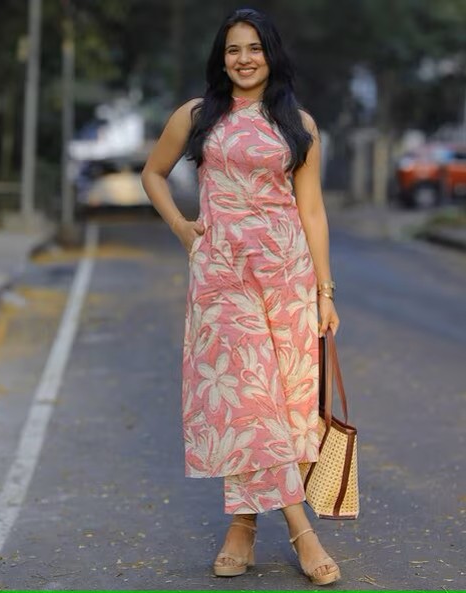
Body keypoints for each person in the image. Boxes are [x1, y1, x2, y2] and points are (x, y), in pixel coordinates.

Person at [141, 7, 341, 586]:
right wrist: (183, 229)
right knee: (249, 400)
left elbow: (312, 211)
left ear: (271, 55)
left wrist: (325, 291)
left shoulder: (298, 124)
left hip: (288, 277)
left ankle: (243, 529)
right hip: (223, 277)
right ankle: (302, 532)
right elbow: (153, 173)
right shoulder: (197, 115)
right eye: (233, 49)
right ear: (221, 58)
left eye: (254, 48)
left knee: (284, 404)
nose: (244, 59)